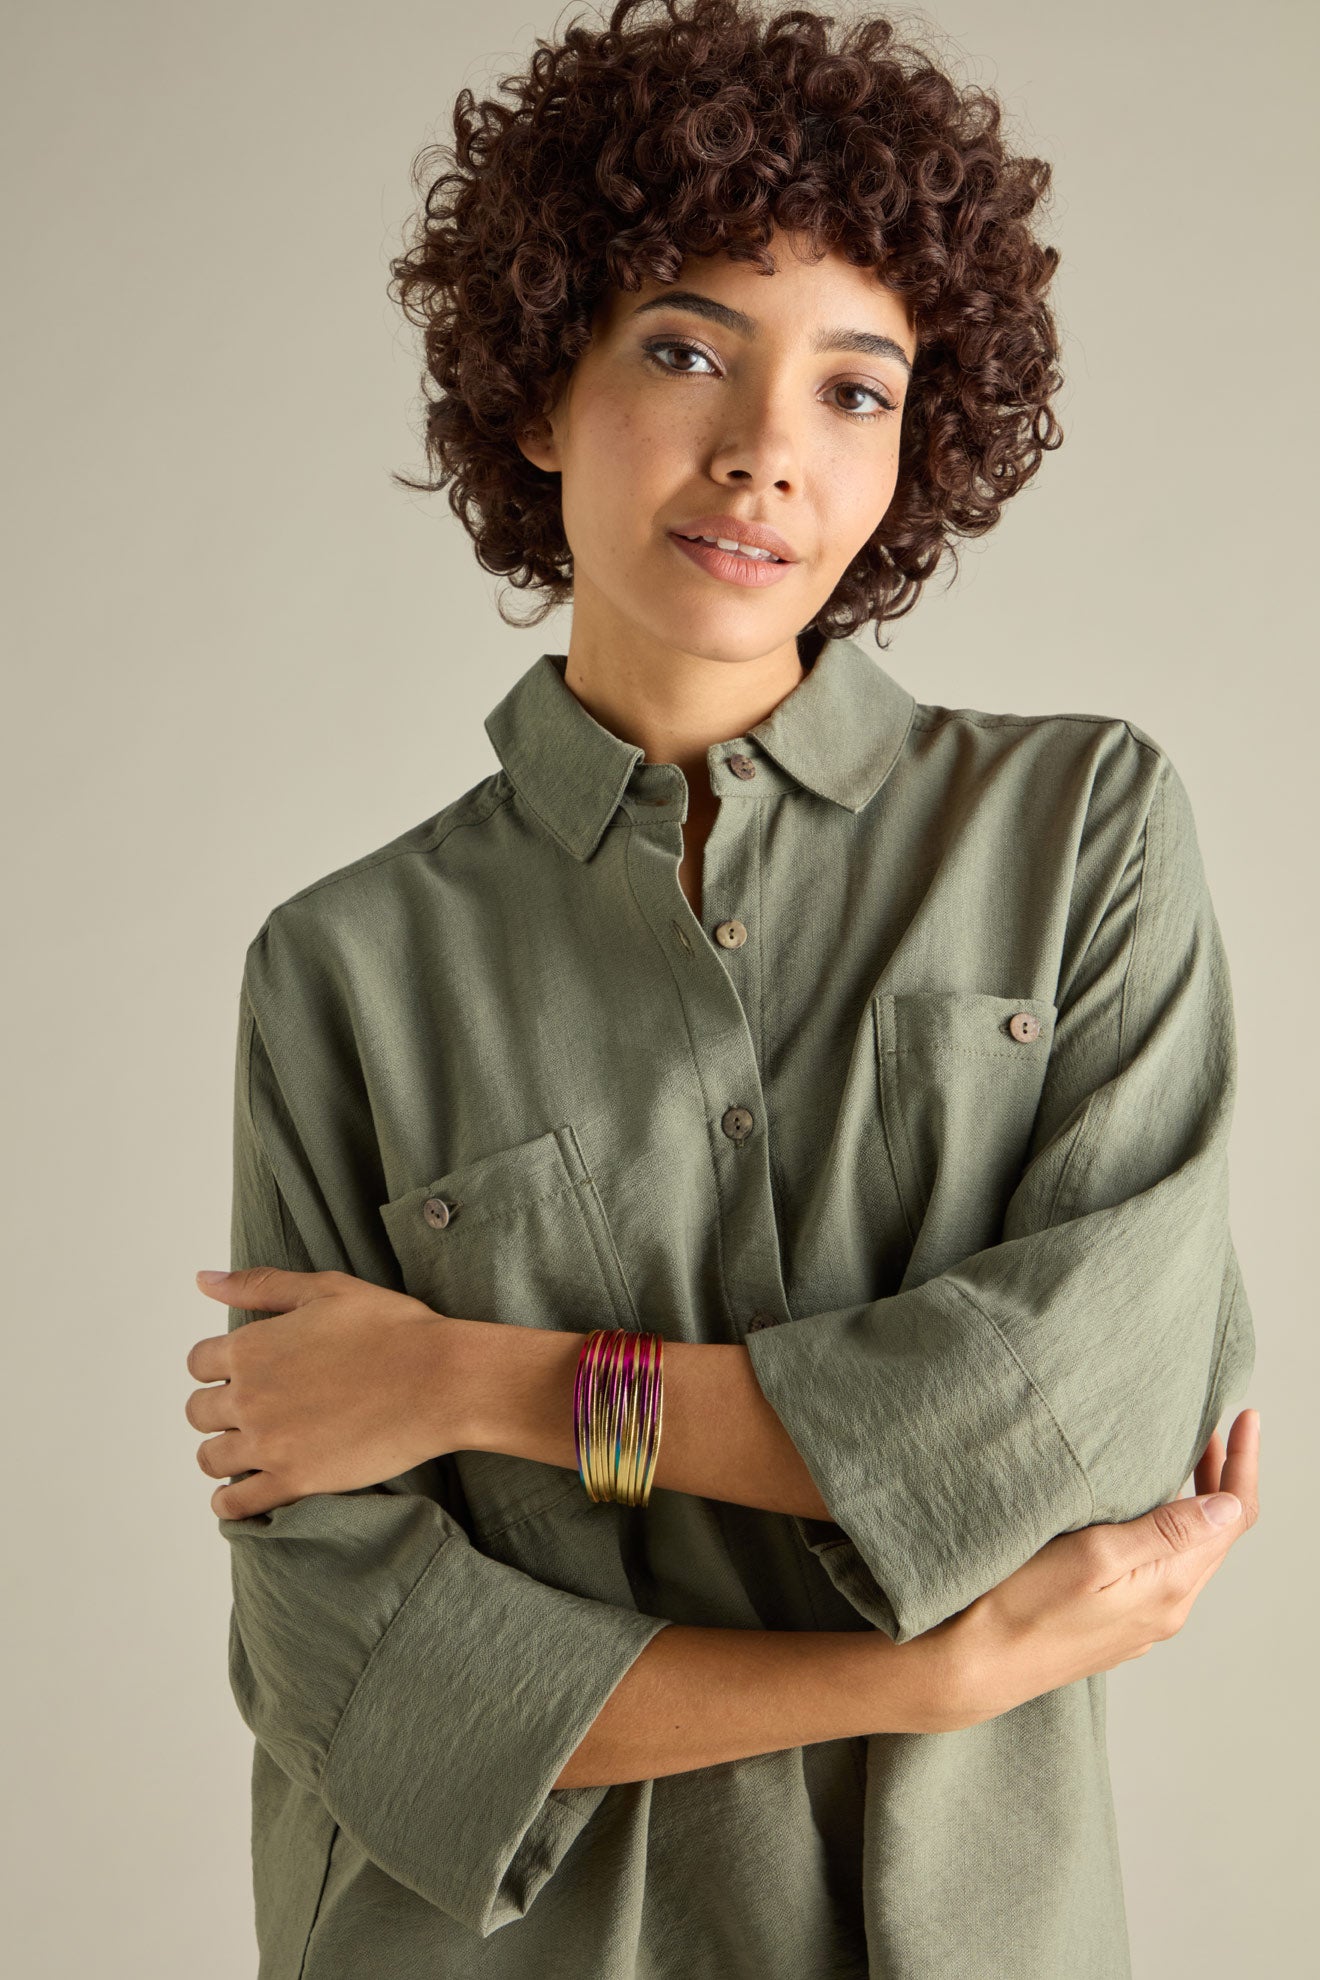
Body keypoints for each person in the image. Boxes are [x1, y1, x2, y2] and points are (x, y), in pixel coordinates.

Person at [183, 3, 1260, 1974]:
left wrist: (480, 1386)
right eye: (685, 351)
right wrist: (912, 1680)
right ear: (536, 391)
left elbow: (1082, 1427)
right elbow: (367, 1665)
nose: (767, 448)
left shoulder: (1082, 835)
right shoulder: (346, 972)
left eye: (857, 390)